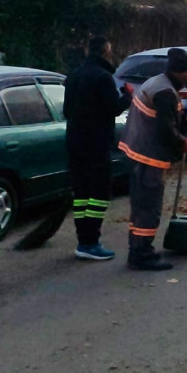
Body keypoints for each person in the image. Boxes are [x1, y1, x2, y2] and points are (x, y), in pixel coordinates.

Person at [118, 48, 187, 271]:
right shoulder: (165, 93)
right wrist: (181, 140)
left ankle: (137, 249)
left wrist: (183, 127)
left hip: (137, 151)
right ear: (182, 72)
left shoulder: (157, 82)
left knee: (140, 206)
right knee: (149, 207)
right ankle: (142, 255)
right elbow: (165, 129)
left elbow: (165, 119)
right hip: (148, 156)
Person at [64, 36, 132, 261]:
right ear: (105, 52)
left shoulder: (74, 75)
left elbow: (66, 110)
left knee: (81, 193)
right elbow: (113, 108)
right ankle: (91, 242)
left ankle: (83, 240)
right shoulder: (103, 78)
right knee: (99, 194)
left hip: (74, 142)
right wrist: (128, 96)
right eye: (110, 50)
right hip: (96, 143)